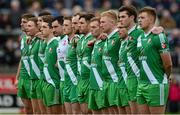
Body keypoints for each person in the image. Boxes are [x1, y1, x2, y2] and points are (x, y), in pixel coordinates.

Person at [137, 6, 172, 114]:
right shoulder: (140, 36)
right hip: (141, 84)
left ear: (151, 20)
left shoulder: (158, 36)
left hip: (156, 84)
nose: (139, 20)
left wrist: (164, 77)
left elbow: (168, 64)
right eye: (138, 18)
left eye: (142, 18)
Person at [40, 15, 62, 114]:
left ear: (51, 29)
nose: (41, 29)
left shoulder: (56, 43)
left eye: (44, 27)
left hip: (54, 83)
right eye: (41, 27)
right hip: (47, 83)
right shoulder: (47, 44)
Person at [100, 10, 120, 114]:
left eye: (103, 22)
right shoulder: (107, 38)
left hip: (115, 80)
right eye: (100, 22)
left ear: (112, 22)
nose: (100, 25)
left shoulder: (119, 36)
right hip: (106, 81)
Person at [87, 17, 109, 114]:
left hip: (101, 85)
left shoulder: (106, 41)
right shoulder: (95, 43)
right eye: (90, 27)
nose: (91, 29)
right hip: (93, 85)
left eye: (94, 27)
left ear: (101, 28)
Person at [15, 13, 34, 114]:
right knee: (27, 107)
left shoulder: (36, 39)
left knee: (36, 108)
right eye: (21, 22)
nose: (21, 24)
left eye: (24, 22)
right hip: (23, 77)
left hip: (32, 78)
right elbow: (22, 59)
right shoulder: (23, 39)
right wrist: (17, 77)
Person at [63, 16, 81, 114]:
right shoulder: (69, 42)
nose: (64, 27)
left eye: (66, 25)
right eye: (63, 25)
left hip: (74, 81)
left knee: (76, 112)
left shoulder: (77, 40)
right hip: (67, 82)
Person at [77, 13, 95, 114]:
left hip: (90, 79)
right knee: (84, 112)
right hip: (81, 80)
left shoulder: (94, 38)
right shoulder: (80, 40)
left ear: (89, 24)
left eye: (82, 23)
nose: (79, 25)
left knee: (91, 111)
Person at [51, 16, 66, 114]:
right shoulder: (60, 40)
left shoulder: (69, 40)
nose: (53, 30)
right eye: (52, 27)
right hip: (63, 81)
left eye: (56, 27)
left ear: (63, 26)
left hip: (71, 81)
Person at [26, 17, 41, 114]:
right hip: (32, 79)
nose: (27, 28)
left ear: (37, 27)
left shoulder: (41, 40)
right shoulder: (31, 41)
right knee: (36, 112)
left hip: (41, 79)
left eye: (29, 26)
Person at [116, 22, 131, 114]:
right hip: (120, 83)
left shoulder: (133, 40)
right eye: (118, 28)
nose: (118, 30)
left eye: (121, 27)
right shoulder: (120, 42)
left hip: (128, 84)